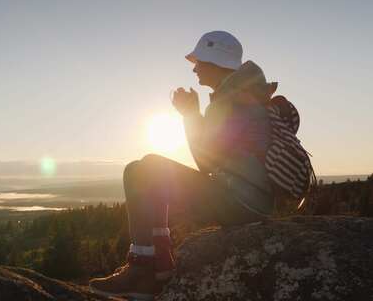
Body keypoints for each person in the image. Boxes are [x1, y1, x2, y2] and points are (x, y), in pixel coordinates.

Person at [89, 30, 276, 300]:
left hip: (241, 203)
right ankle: (158, 264)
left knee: (144, 169)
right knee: (142, 169)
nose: (195, 69)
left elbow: (206, 161)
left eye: (199, 62)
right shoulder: (242, 94)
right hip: (246, 197)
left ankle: (145, 271)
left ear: (215, 61)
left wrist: (189, 114)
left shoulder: (234, 101)